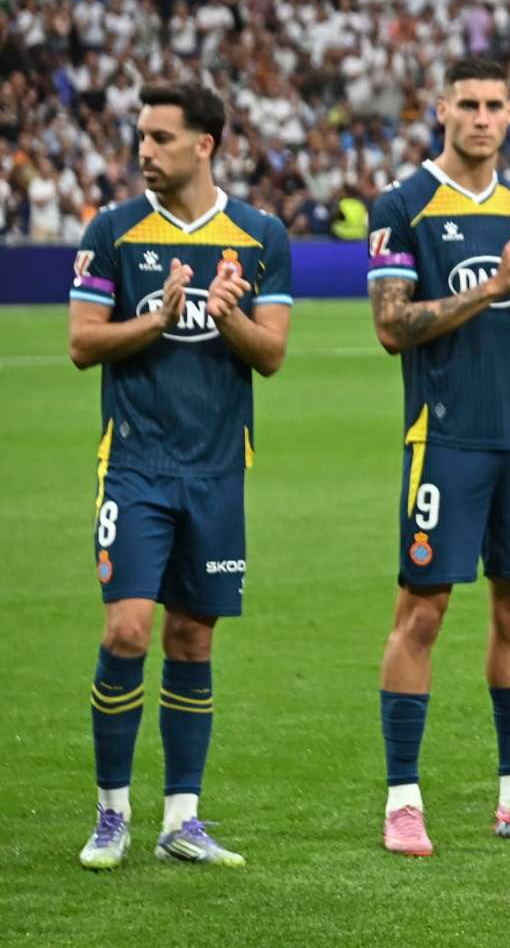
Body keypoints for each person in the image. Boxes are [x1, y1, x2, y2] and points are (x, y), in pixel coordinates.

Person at [365, 57, 510, 856]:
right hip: (445, 441)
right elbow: (393, 327)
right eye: (468, 104)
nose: (483, 117)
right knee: (422, 612)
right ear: (441, 110)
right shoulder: (403, 207)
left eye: (496, 105)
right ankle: (402, 800)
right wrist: (496, 284)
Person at [68, 82, 294, 868]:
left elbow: (271, 355)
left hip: (217, 471)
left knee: (193, 639)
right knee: (127, 628)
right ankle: (111, 812)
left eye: (161, 137)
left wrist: (227, 313)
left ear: (205, 144)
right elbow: (82, 342)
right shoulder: (114, 230)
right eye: (141, 136)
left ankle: (182, 821)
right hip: (134, 464)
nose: (144, 151)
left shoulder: (260, 234)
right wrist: (157, 320)